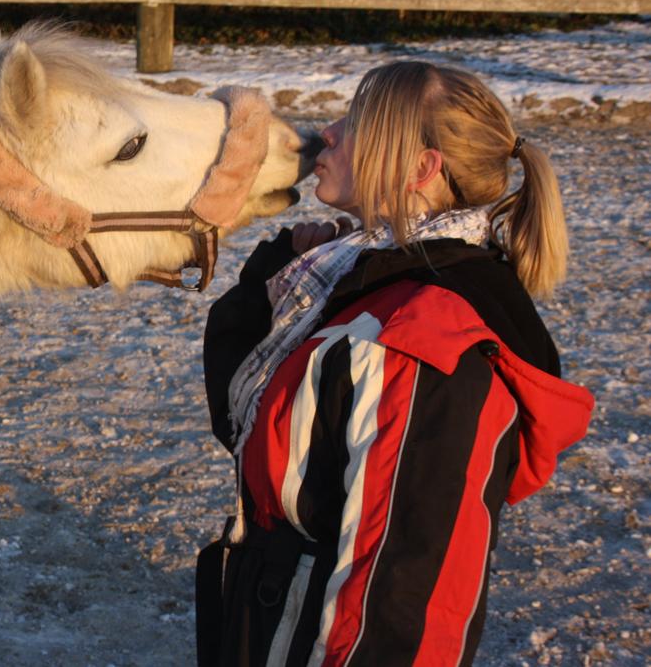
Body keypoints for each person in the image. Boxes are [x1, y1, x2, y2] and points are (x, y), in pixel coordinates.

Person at [197, 61, 594, 666]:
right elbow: (260, 437)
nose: (325, 133)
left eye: (356, 122)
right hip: (271, 625)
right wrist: (266, 279)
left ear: (418, 168)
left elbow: (408, 607)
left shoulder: (422, 342)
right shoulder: (359, 285)